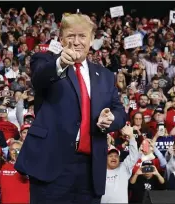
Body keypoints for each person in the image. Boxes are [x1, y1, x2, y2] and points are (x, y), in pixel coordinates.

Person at [15, 13, 127, 204]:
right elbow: (40, 78)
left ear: (91, 39)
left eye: (82, 36)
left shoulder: (105, 75)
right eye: (70, 36)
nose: (76, 42)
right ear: (61, 39)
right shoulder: (45, 60)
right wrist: (61, 63)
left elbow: (120, 112)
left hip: (91, 168)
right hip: (51, 163)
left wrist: (110, 120)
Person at [101, 125, 139, 203]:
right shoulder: (99, 169)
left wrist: (131, 137)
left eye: (116, 156)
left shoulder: (124, 167)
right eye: (110, 156)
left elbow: (134, 155)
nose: (114, 158)